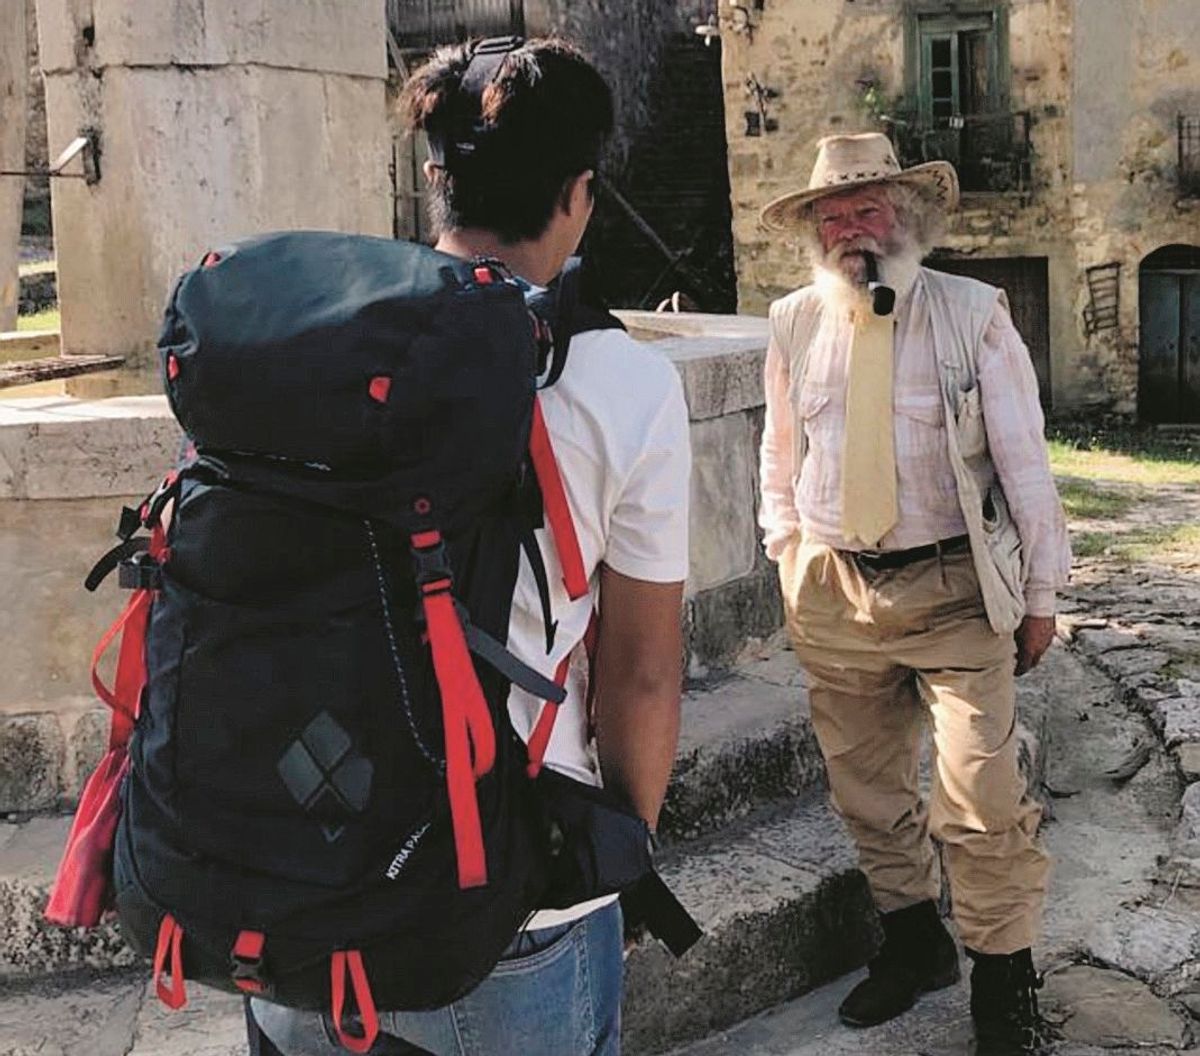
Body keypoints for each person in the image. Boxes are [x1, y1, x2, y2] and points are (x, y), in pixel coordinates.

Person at [251, 36, 691, 1056]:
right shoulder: (623, 385)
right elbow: (643, 673)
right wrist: (616, 847)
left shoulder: (314, 341)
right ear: (580, 192)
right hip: (508, 909)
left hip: (292, 884)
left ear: (436, 179)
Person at [757, 133, 1070, 1056]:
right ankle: (914, 945)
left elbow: (1024, 465)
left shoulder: (974, 315)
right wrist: (786, 555)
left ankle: (1004, 987)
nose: (852, 228)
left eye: (868, 207)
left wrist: (1043, 593)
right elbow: (779, 459)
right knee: (867, 794)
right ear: (816, 232)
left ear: (907, 217)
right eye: (834, 214)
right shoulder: (791, 323)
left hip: (955, 590)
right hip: (833, 588)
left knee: (980, 800)